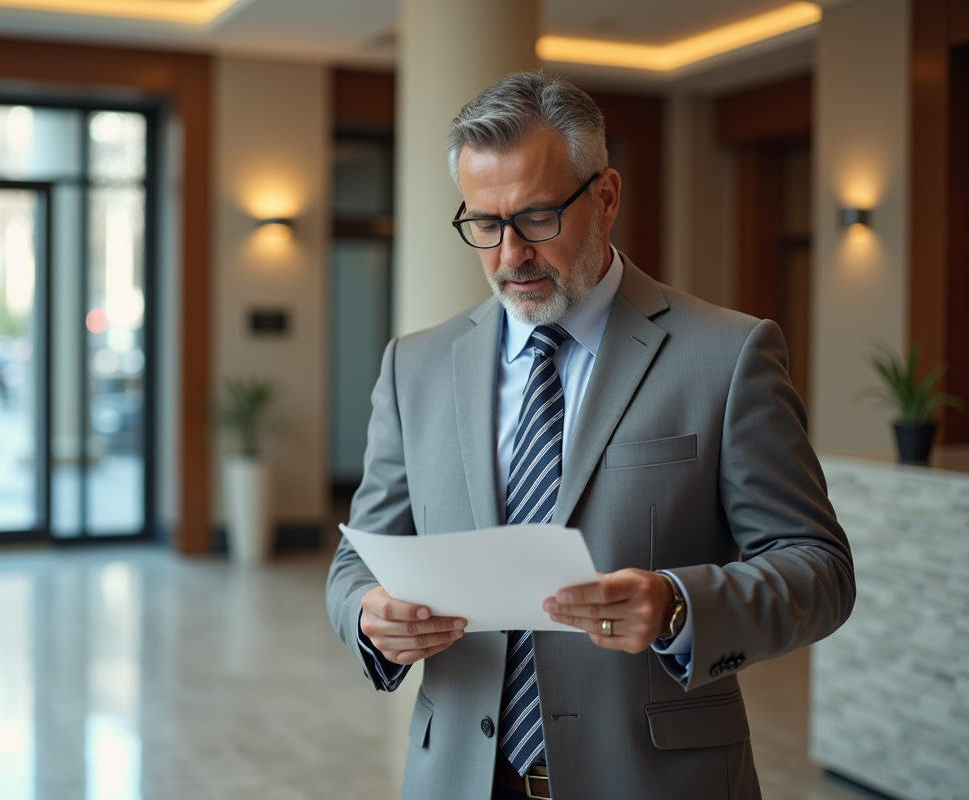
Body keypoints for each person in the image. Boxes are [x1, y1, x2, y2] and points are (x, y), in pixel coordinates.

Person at [326, 73, 855, 800]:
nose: (510, 255)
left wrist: (677, 604)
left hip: (658, 781)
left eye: (538, 217)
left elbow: (819, 570)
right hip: (458, 778)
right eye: (484, 224)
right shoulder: (412, 366)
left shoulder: (729, 356)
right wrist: (366, 614)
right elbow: (354, 563)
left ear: (606, 197)